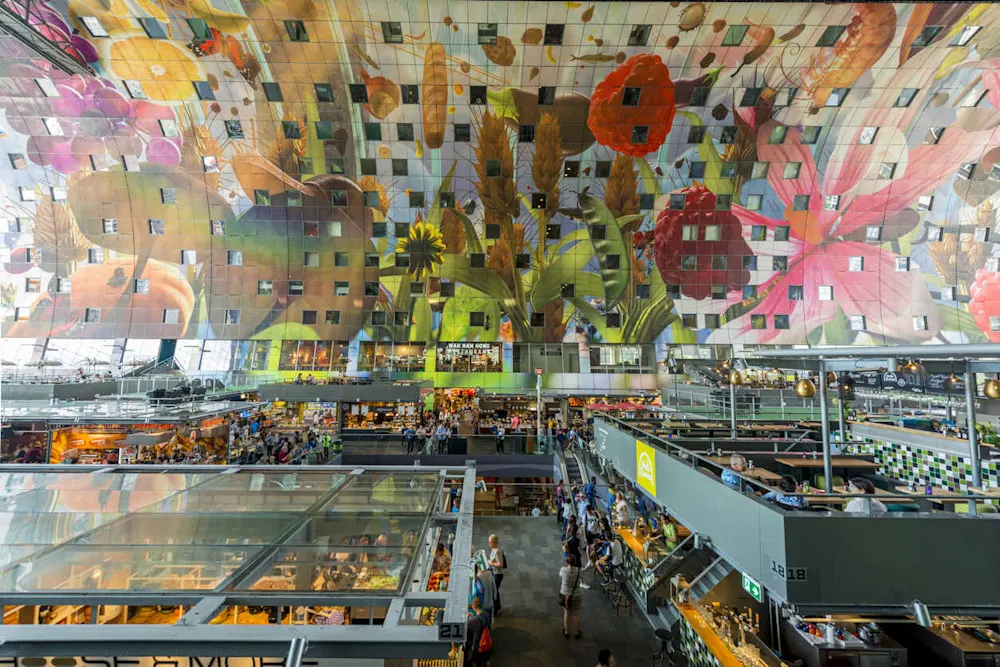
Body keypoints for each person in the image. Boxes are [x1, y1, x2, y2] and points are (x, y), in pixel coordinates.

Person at [464, 596, 492, 667]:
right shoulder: (486, 614)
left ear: (473, 606)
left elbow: (466, 623)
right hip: (487, 643)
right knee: (487, 660)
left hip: (478, 646)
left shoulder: (475, 620)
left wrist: (468, 617)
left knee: (475, 662)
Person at [559, 555, 582, 639]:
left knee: (567, 613)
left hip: (565, 595)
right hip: (576, 594)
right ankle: (576, 632)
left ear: (567, 561)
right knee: (575, 614)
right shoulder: (578, 571)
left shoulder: (563, 570)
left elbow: (560, 575)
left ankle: (566, 631)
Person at [488, 534, 505, 615]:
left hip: (497, 575)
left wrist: (491, 563)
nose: (489, 544)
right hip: (494, 573)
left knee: (494, 592)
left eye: (490, 542)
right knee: (495, 591)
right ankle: (497, 608)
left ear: (494, 542)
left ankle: (496, 610)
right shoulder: (493, 550)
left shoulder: (497, 551)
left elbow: (500, 564)